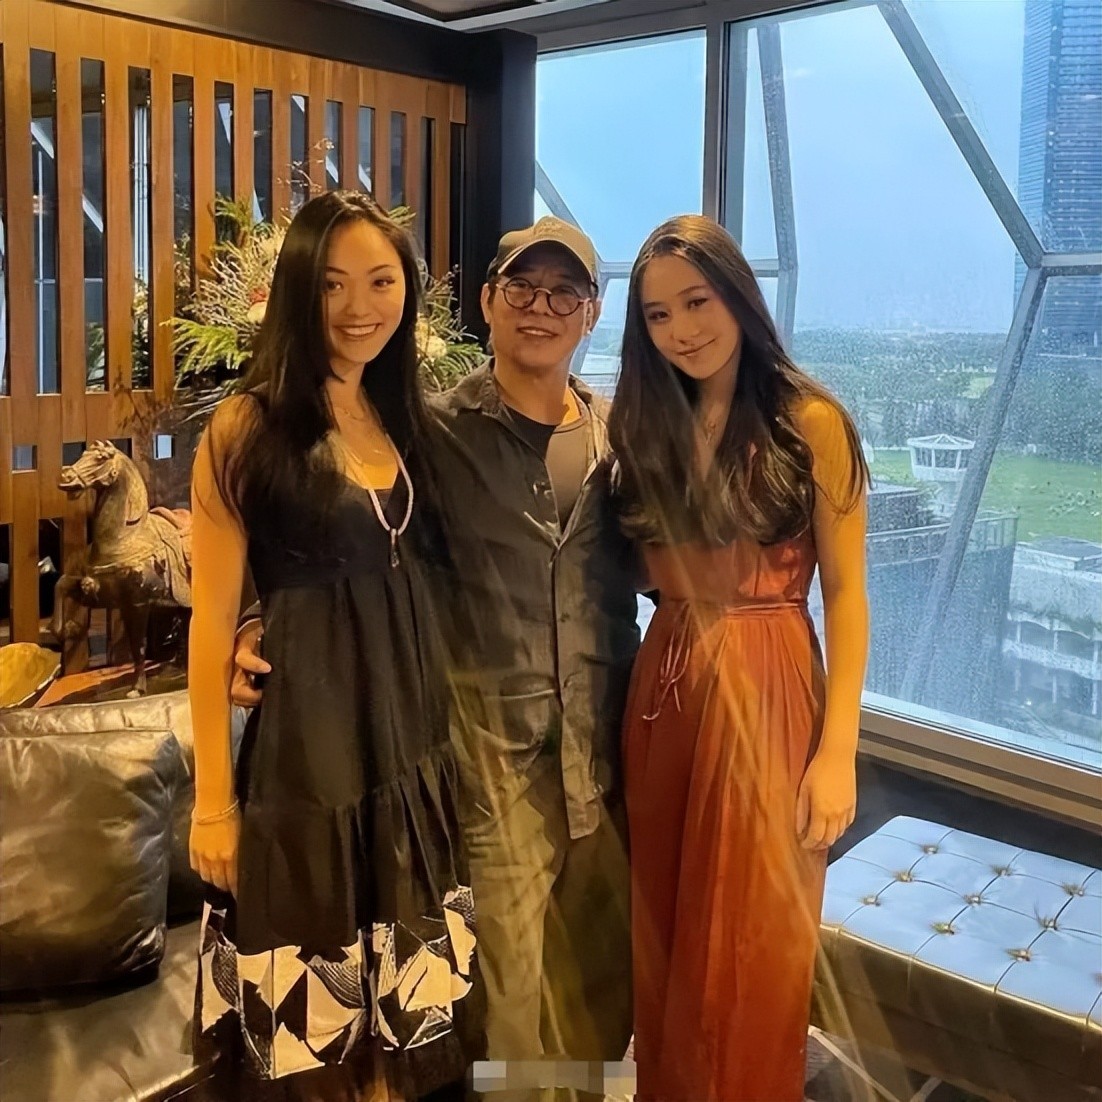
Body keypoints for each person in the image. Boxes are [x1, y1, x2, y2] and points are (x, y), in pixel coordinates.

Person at [234, 217, 639, 1100]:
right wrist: (257, 621)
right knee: (507, 1011)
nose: (540, 308)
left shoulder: (618, 440)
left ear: (592, 314)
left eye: (563, 292)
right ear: (487, 302)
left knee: (604, 997)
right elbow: (328, 524)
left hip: (604, 767)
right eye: (521, 288)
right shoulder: (429, 431)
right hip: (492, 774)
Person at [188, 190, 480, 1102]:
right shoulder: (247, 426)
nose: (360, 307)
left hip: (410, 746)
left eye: (382, 281)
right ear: (296, 292)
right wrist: (211, 804)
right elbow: (210, 619)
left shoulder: (403, 416)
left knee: (404, 1041)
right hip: (308, 765)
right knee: (316, 1047)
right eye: (332, 284)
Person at [608, 214, 869, 1102]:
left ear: (738, 296)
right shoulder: (652, 424)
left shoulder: (812, 421)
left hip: (770, 685)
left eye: (697, 301)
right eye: (657, 314)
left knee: (751, 952)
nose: (682, 329)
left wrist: (838, 752)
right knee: (666, 935)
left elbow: (847, 596)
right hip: (666, 689)